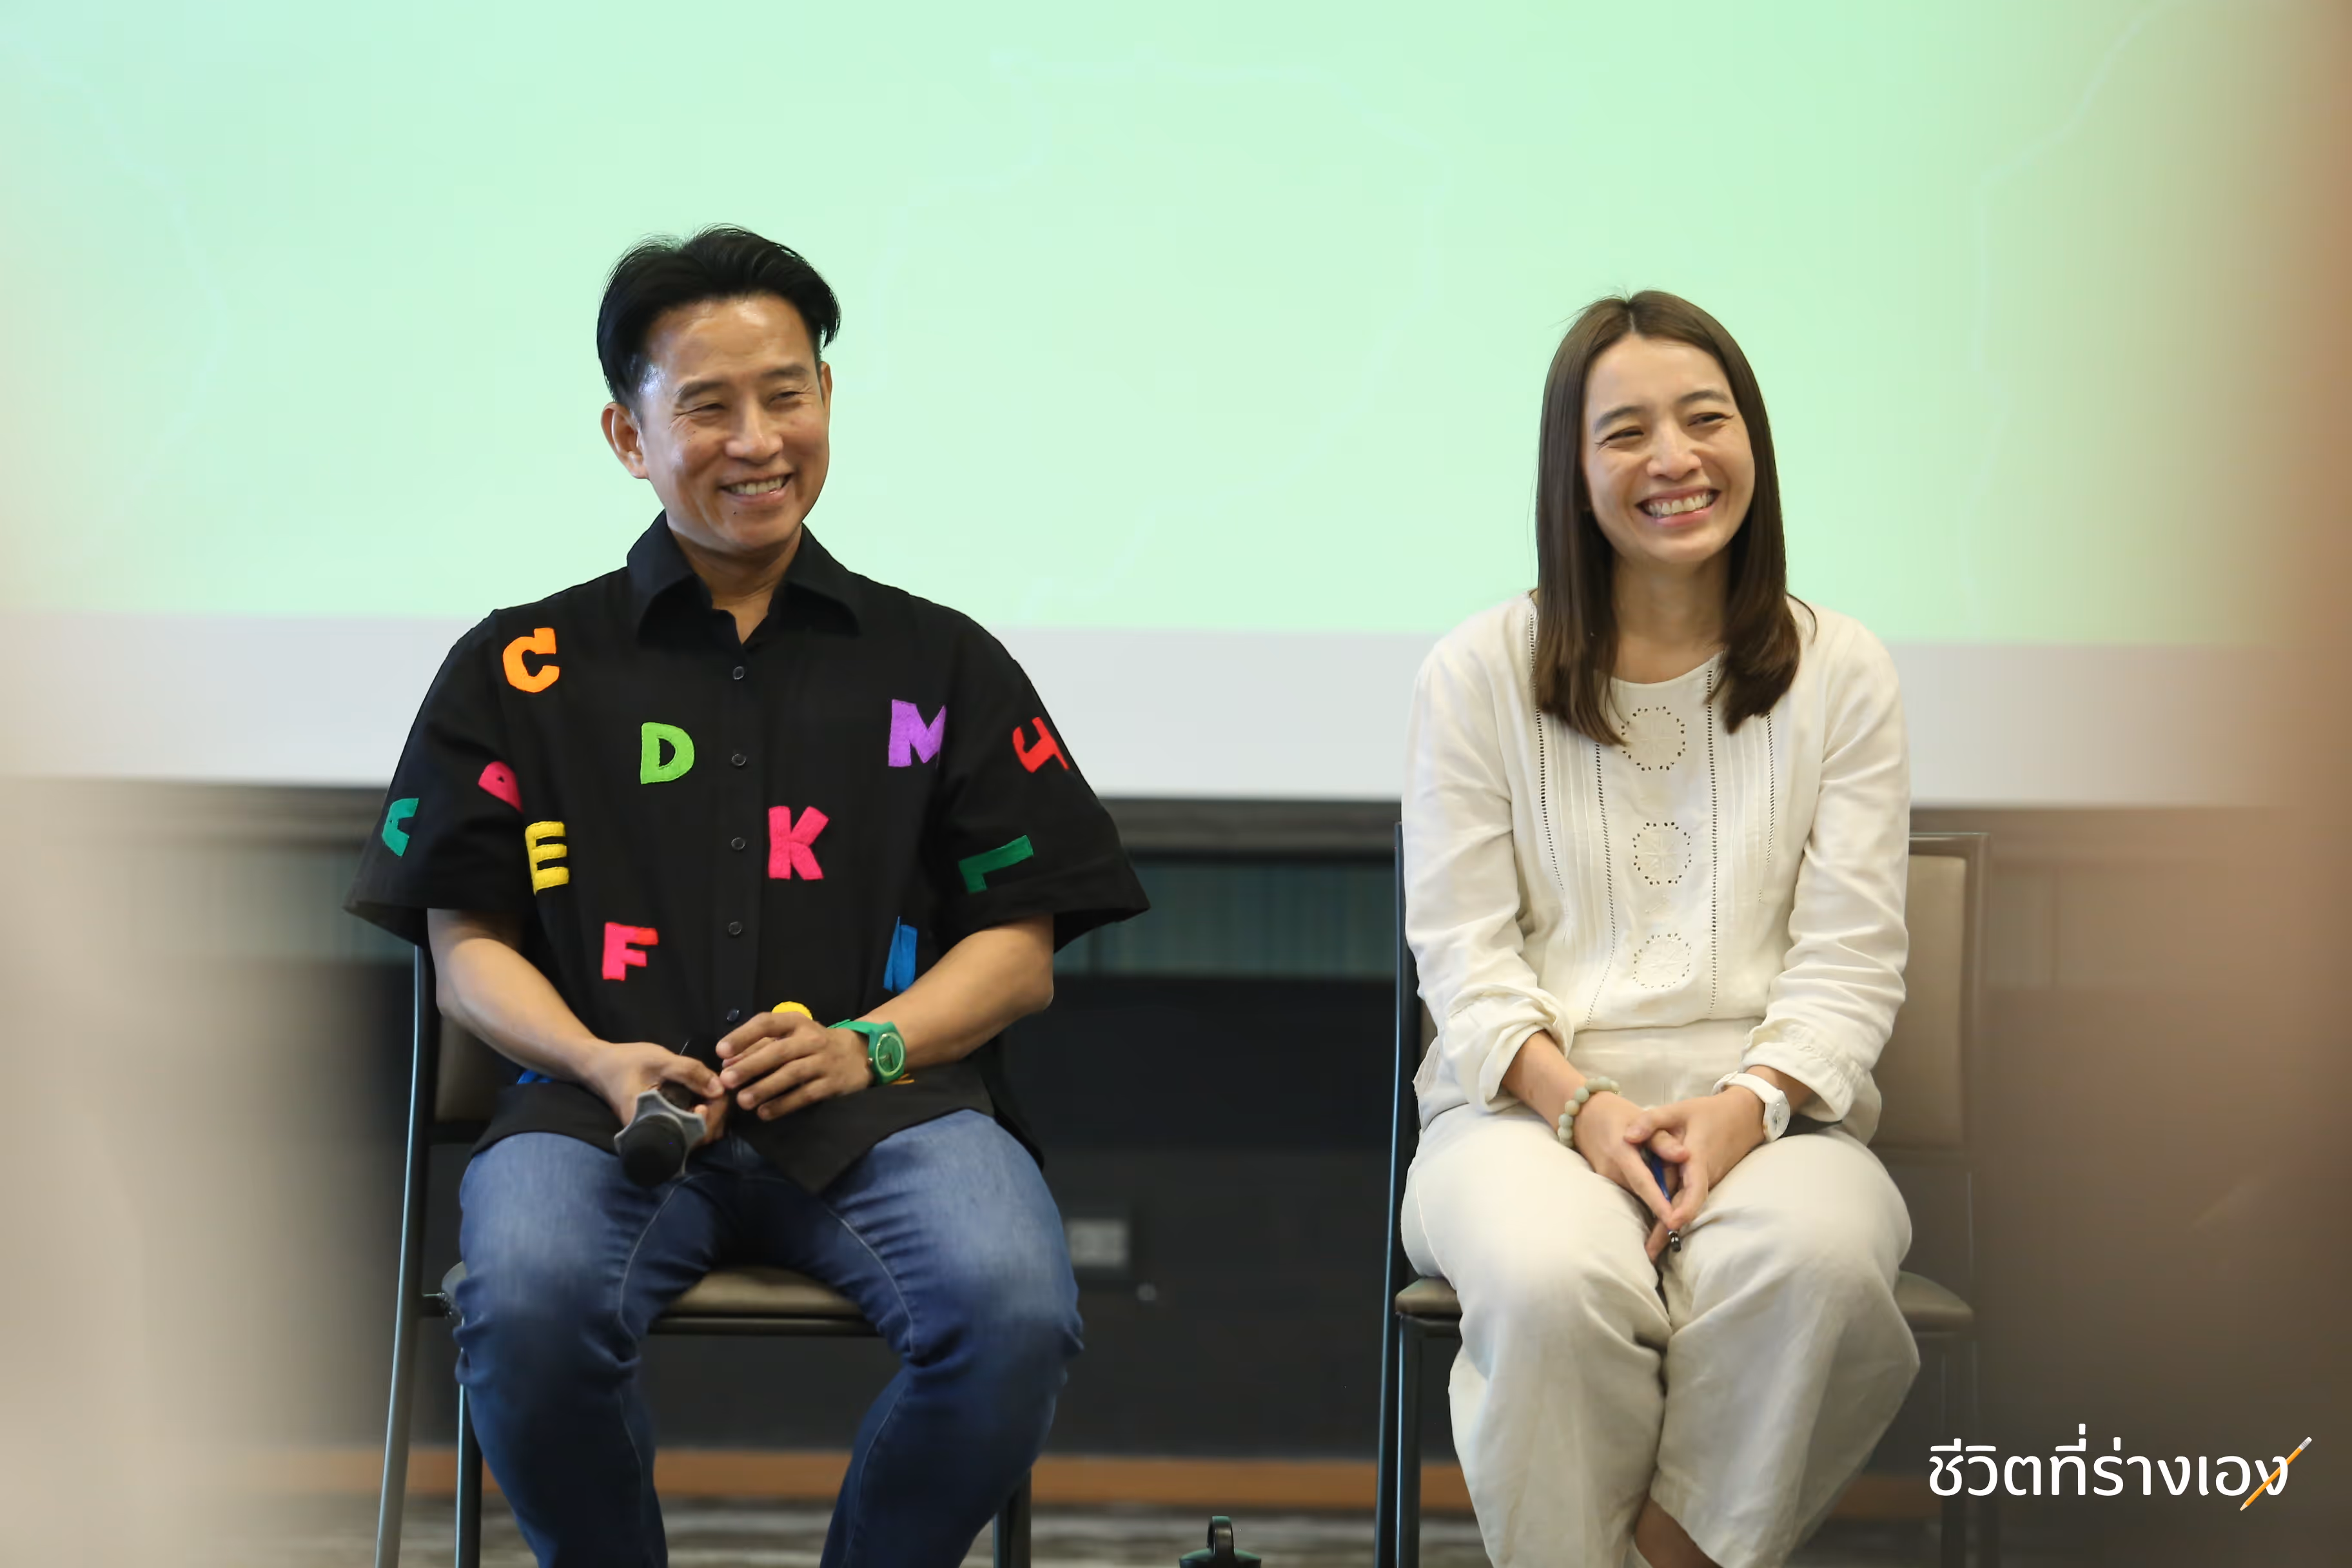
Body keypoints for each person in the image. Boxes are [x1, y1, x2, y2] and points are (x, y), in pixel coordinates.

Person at [346, 227, 1149, 1568]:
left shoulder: (941, 661)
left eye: (787, 394)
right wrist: (598, 1058)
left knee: (1010, 1308)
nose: (758, 440)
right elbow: (465, 943)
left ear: (827, 398)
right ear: (629, 433)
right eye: (708, 405)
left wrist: (866, 1043)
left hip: (887, 1108)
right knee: (528, 1307)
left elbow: (1019, 951)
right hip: (599, 1118)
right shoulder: (520, 666)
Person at [1398, 291, 1917, 1568]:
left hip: (1776, 1115)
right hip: (1523, 1113)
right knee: (1551, 1279)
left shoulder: (1843, 670)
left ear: (1753, 442)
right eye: (1626, 432)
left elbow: (1851, 961)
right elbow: (1465, 959)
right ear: (1572, 474)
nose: (1675, 459)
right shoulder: (1475, 673)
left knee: (1822, 1263)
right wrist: (1585, 1108)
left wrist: (1745, 1107)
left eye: (1706, 419)